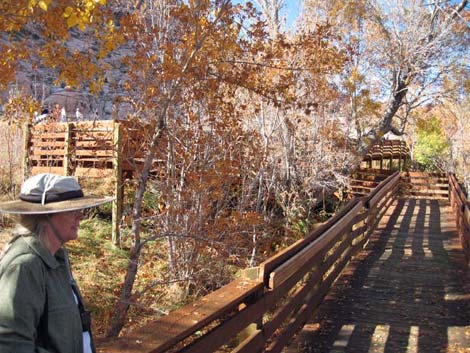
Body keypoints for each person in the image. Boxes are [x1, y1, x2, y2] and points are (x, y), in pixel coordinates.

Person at [0, 173, 113, 353]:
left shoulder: (55, 257)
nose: (81, 216)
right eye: (72, 210)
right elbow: (12, 346)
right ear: (46, 217)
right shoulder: (24, 267)